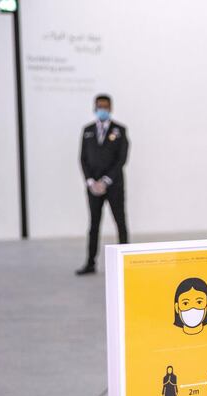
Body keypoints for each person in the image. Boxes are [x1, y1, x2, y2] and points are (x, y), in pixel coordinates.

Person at [76, 94, 129, 275]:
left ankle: (125, 261)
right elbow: (83, 158)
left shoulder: (120, 130)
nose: (103, 110)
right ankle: (90, 262)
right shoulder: (88, 130)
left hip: (114, 186)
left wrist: (106, 181)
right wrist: (91, 181)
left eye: (105, 107)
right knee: (94, 225)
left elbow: (121, 159)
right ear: (95, 108)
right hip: (94, 188)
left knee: (120, 222)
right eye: (100, 107)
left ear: (111, 108)